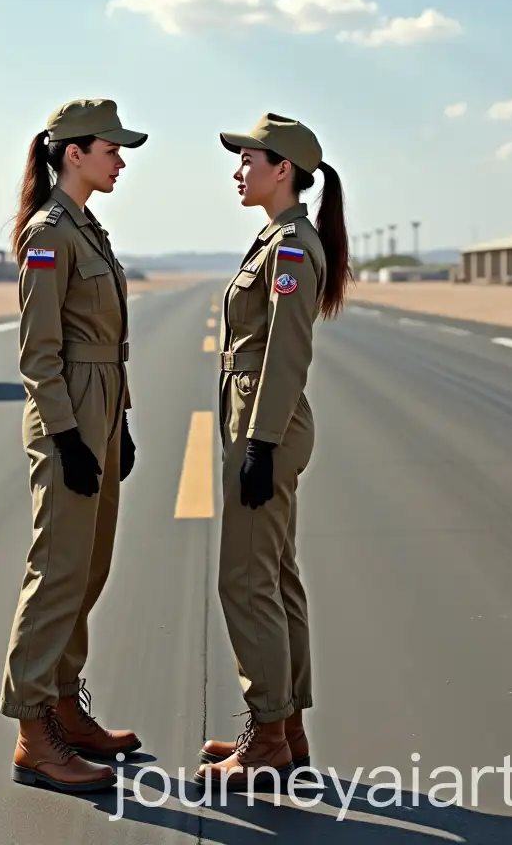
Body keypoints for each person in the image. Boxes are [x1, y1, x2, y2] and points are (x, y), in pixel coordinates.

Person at [194, 112, 352, 790]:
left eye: (248, 160)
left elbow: (287, 354)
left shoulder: (290, 248)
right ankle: (284, 731)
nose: (238, 171)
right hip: (264, 418)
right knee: (276, 575)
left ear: (282, 169)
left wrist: (258, 445)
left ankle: (265, 741)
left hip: (267, 422)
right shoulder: (278, 239)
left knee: (247, 579)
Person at [0, 97, 147, 795]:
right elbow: (39, 354)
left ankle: (64, 705)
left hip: (100, 414)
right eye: (112, 149)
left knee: (88, 569)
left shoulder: (89, 228)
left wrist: (120, 426)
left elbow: (107, 348)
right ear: (74, 153)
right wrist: (69, 438)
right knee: (56, 572)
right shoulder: (50, 232)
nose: (121, 160)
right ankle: (34, 734)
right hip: (68, 421)